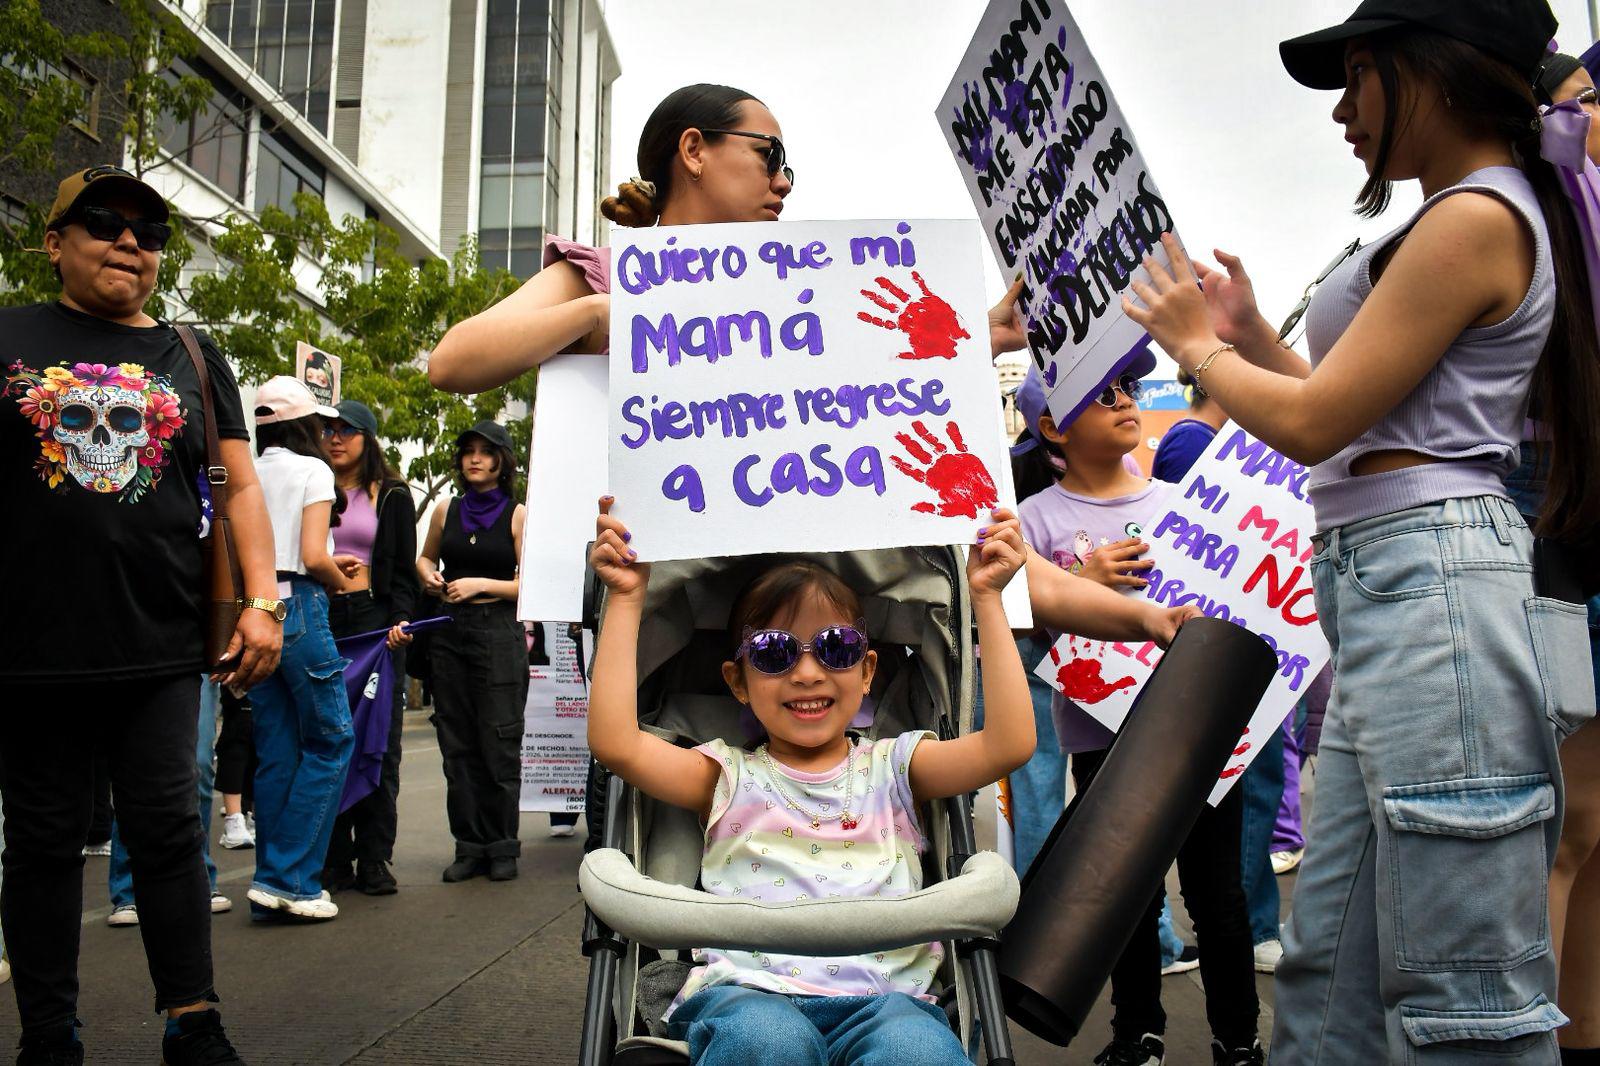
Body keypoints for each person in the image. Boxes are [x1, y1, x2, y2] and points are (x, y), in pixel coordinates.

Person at [1125, 2, 1600, 1058]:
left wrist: (1202, 352)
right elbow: (1356, 434)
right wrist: (1246, 336)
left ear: (1430, 72)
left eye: (1357, 78)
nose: (1342, 111)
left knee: (1459, 991)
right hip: (1400, 589)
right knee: (1327, 974)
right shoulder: (1461, 214)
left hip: (1431, 594)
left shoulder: (1474, 217)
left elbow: (1314, 423)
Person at [587, 496, 1033, 1064]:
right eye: (773, 653)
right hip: (749, 994)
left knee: (916, 1050)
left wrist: (987, 600)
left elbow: (1009, 744)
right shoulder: (727, 774)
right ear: (739, 681)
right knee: (768, 1042)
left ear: (868, 670)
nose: (806, 672)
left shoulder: (895, 767)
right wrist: (627, 599)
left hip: (887, 1001)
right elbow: (617, 744)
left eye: (836, 648)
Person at [0, 165, 278, 1064]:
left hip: (161, 643)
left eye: (149, 233)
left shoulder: (194, 354)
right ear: (55, 241)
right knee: (41, 843)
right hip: (29, 646)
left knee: (168, 830)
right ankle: (49, 1035)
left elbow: (240, 488)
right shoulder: (8, 336)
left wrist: (263, 602)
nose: (130, 242)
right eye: (104, 223)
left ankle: (192, 1020)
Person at [1016, 362, 1263, 1066]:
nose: (1125, 401)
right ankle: (1137, 1033)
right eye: (1103, 394)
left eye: (1127, 389)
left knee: (1220, 899)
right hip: (1103, 737)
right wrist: (1074, 588)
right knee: (1125, 899)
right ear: (1052, 428)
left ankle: (1239, 1039)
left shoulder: (1181, 506)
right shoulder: (1034, 520)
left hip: (1205, 737)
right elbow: (1025, 624)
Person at [1151, 372, 1291, 975]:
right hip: (1226, 644)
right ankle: (1252, 927)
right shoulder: (1190, 442)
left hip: (1256, 635)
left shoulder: (1221, 441)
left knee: (1258, 783)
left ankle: (1252, 921)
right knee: (1247, 786)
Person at [1521, 47, 1600, 1066]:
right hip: (1553, 535)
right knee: (1563, 832)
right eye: (1584, 101)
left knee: (1592, 828)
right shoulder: (1533, 219)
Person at [245, 377, 355, 922]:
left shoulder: (244, 471)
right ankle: (290, 878)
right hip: (302, 608)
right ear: (306, 424)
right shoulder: (314, 470)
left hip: (254, 608)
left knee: (277, 751)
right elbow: (314, 555)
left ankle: (271, 884)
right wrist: (343, 579)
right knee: (333, 739)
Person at [417, 421, 529, 883]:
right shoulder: (446, 508)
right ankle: (469, 845)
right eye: (467, 452)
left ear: (502, 460)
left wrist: (482, 584)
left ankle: (502, 845)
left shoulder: (518, 514)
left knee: (498, 742)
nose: (475, 459)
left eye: (486, 451)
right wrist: (427, 574)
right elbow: (424, 557)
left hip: (497, 628)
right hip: (449, 630)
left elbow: (532, 583)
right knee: (456, 744)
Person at [320, 399, 418, 896]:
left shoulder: (392, 493)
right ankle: (333, 859)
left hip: (376, 626)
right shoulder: (311, 487)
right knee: (327, 742)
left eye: (348, 430)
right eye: (328, 429)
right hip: (323, 621)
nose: (335, 438)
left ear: (368, 437)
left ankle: (375, 858)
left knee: (379, 743)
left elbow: (403, 569)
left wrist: (400, 623)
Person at [105, 679, 232, 925]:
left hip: (191, 658)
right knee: (133, 766)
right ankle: (126, 888)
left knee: (200, 764)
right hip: (130, 657)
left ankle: (201, 875)